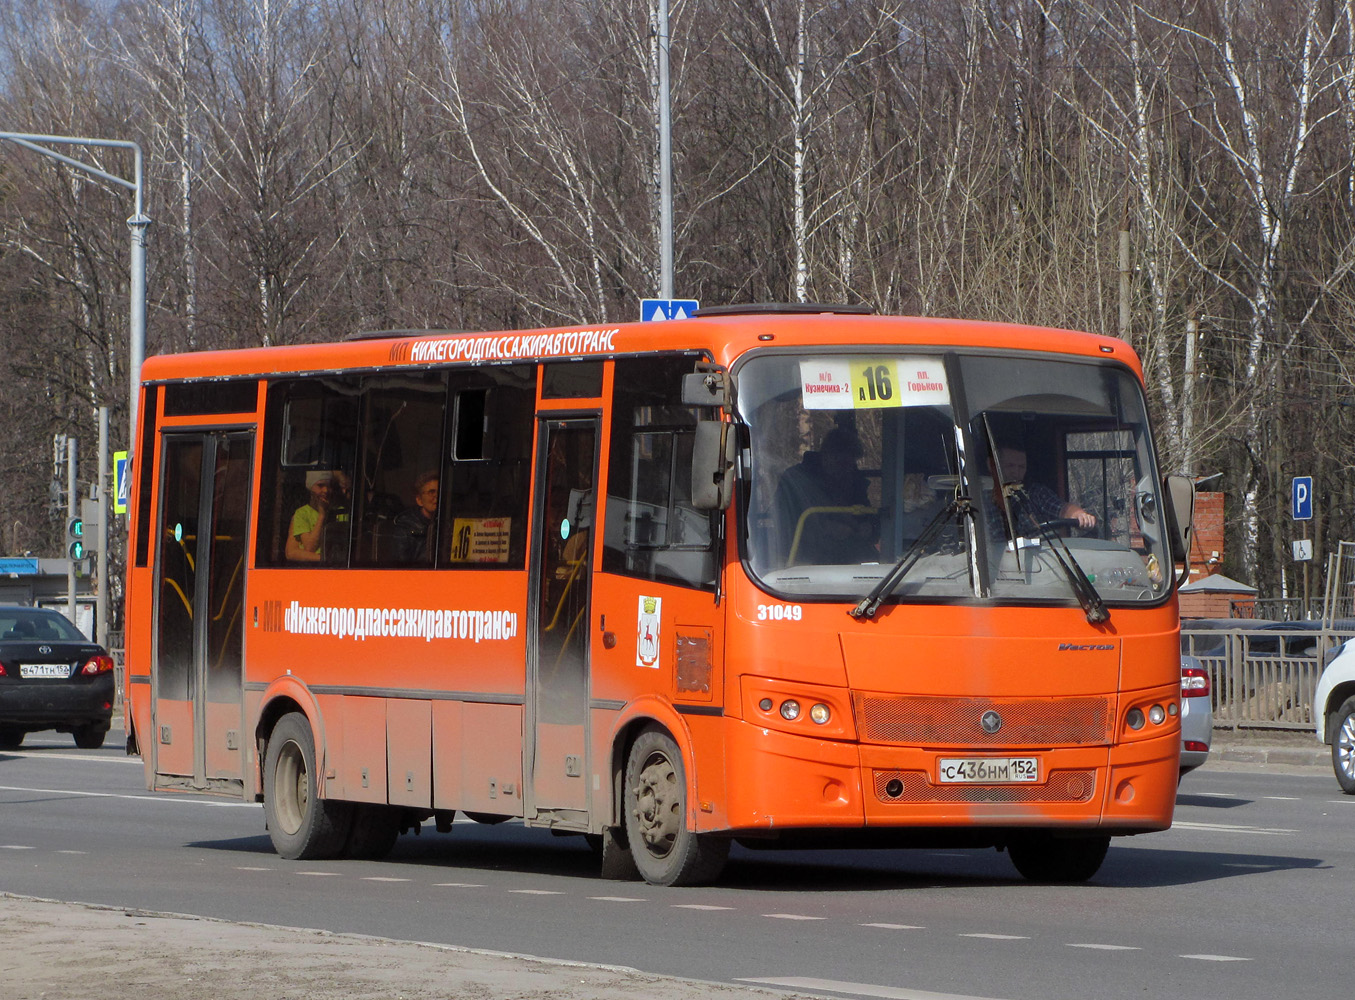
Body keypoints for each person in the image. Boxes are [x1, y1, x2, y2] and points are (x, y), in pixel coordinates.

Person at [772, 427, 877, 565]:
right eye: (842, 462)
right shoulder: (794, 480)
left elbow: (869, 516)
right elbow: (782, 526)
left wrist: (868, 527)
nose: (846, 469)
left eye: (851, 464)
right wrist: (822, 529)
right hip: (803, 563)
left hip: (851, 560)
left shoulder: (853, 481)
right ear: (827, 455)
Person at [987, 444, 1095, 539]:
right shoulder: (981, 503)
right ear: (992, 466)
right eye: (1010, 466)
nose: (1016, 472)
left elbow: (1062, 509)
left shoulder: (1036, 494)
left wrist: (1078, 515)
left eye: (1021, 467)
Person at [286, 470, 338, 562]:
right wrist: (322, 515)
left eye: (329, 486)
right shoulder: (302, 513)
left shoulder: (339, 511)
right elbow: (309, 548)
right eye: (320, 486)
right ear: (310, 489)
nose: (325, 490)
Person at [393, 471, 438, 564]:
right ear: (419, 500)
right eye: (431, 492)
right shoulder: (405, 527)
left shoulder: (448, 524)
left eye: (440, 491)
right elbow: (400, 566)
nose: (436, 496)